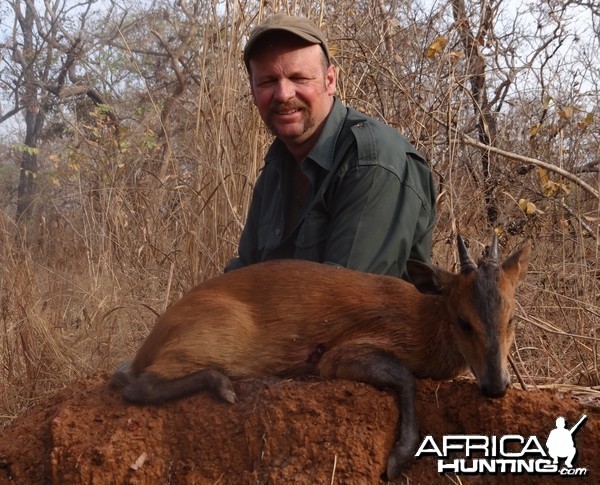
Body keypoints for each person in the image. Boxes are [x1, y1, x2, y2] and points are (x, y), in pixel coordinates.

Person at [225, 14, 436, 279]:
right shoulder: (277, 165)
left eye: (299, 78)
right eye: (267, 82)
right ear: (253, 91)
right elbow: (242, 275)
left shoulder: (372, 159)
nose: (283, 94)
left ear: (330, 81)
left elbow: (342, 304)